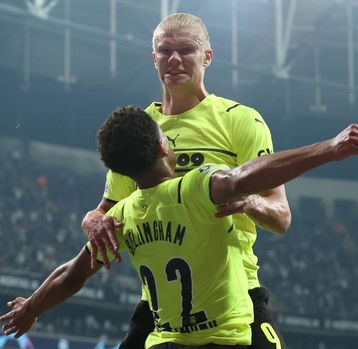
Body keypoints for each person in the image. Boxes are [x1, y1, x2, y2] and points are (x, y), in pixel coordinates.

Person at [0, 106, 358, 348]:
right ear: (164, 147)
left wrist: (32, 307)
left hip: (164, 341)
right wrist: (329, 147)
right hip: (227, 339)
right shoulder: (195, 187)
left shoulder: (123, 216)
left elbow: (73, 272)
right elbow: (248, 174)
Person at [82, 13, 292, 349]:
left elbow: (281, 217)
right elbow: (107, 211)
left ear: (207, 56)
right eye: (165, 51)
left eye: (186, 50)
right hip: (160, 309)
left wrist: (250, 202)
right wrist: (91, 219)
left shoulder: (241, 121)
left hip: (234, 298)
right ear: (154, 59)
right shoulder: (140, 128)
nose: (174, 59)